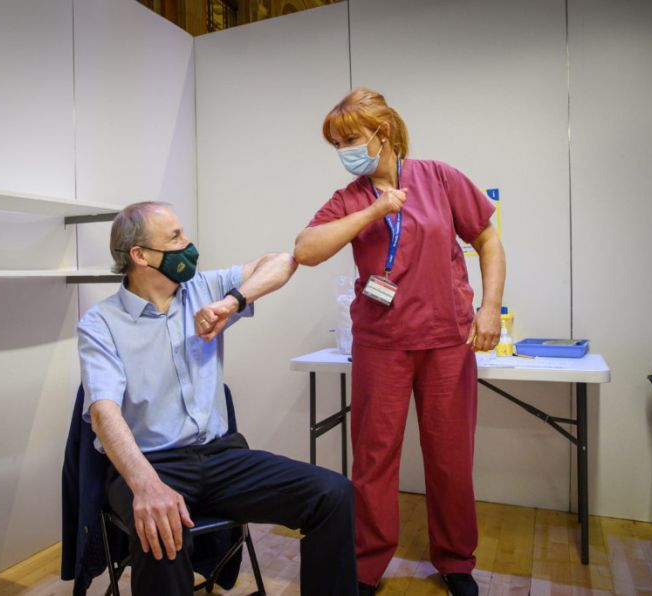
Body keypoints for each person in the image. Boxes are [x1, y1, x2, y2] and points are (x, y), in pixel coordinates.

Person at [77, 201, 358, 595]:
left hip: (220, 457)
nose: (188, 244)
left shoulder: (203, 289)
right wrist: (147, 486)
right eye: (175, 237)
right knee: (162, 530)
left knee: (332, 494)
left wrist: (231, 303)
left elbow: (282, 261)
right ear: (140, 255)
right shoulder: (101, 323)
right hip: (150, 464)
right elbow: (104, 414)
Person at [294, 88, 506, 596]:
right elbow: (305, 249)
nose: (344, 151)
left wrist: (490, 307)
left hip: (446, 340)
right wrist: (372, 212)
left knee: (451, 457)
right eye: (337, 143)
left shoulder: (440, 177)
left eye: (349, 139)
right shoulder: (349, 198)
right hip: (381, 343)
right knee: (373, 459)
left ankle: (456, 562)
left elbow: (488, 239)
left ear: (381, 133)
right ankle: (366, 566)